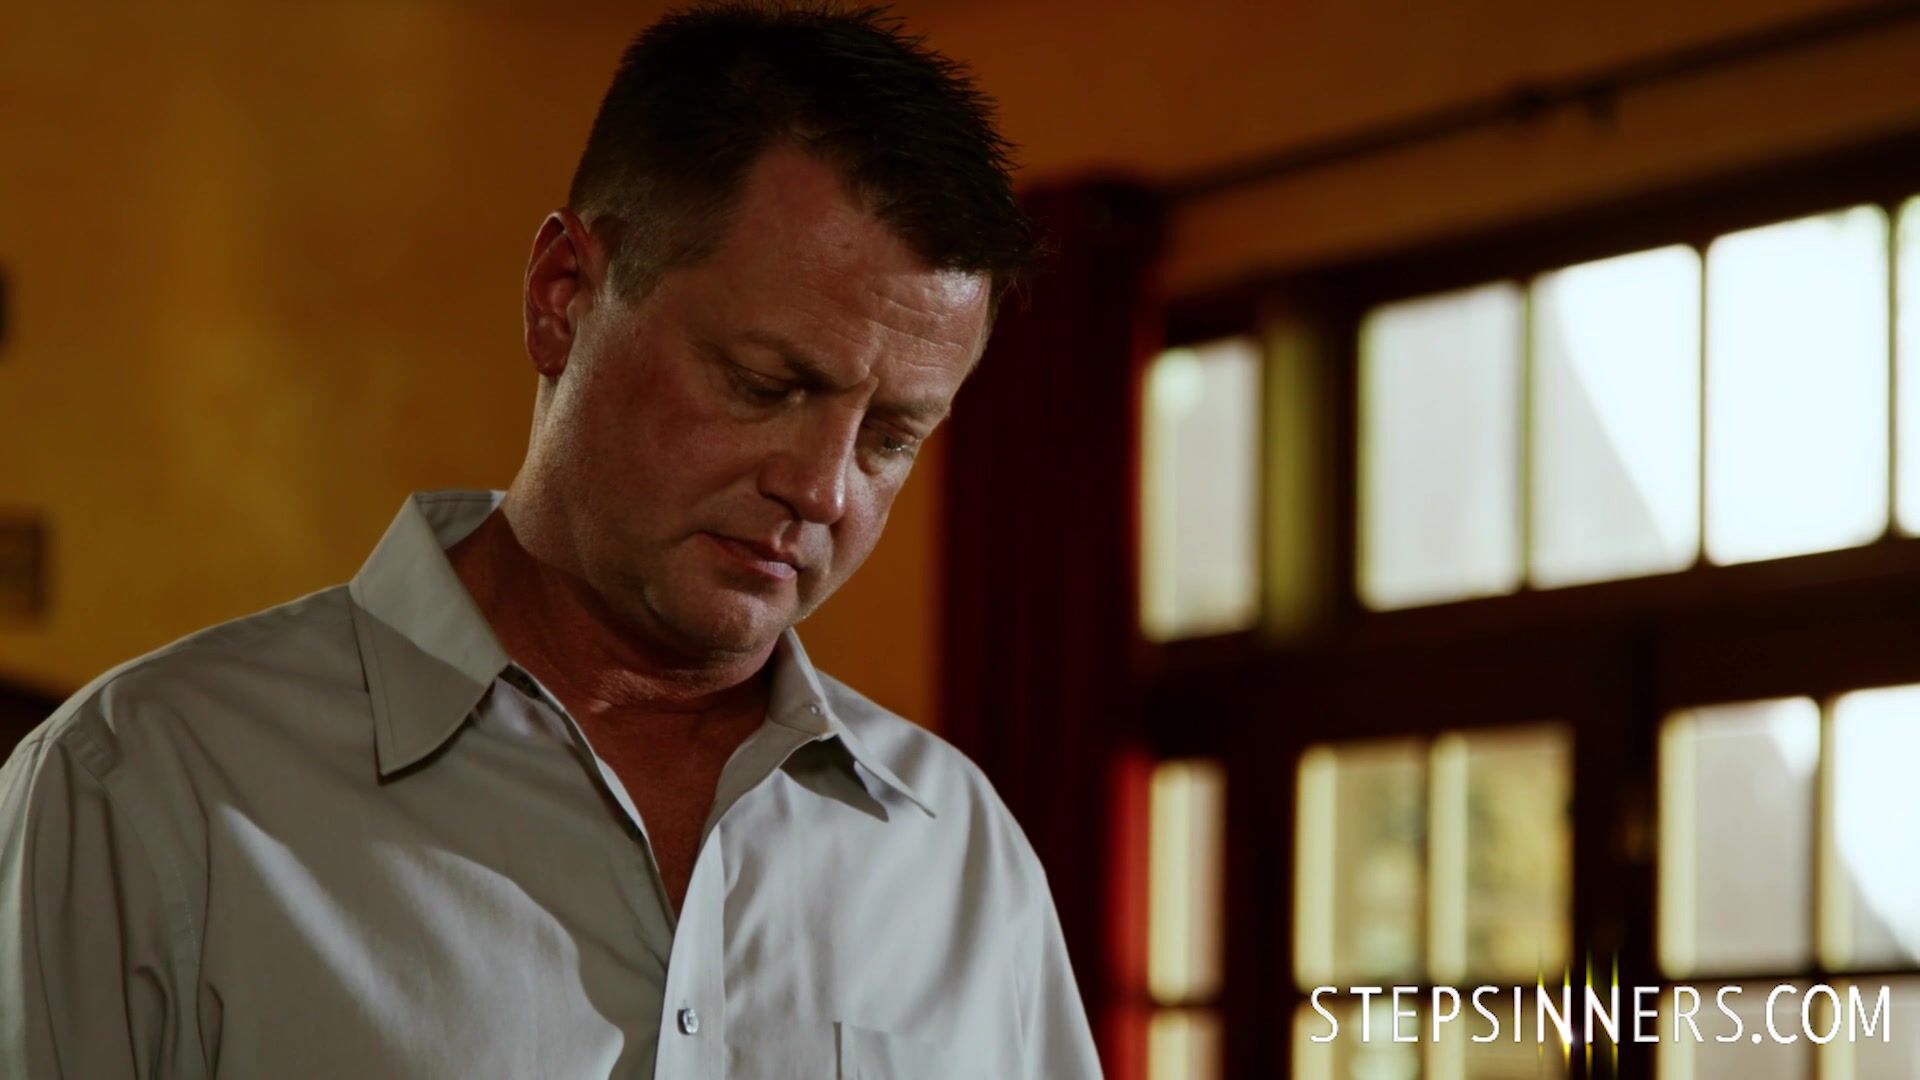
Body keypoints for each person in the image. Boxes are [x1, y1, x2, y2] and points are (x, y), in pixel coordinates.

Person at [0, 4, 1103, 1076]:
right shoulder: (144, 787)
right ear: (561, 297)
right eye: (764, 385)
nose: (822, 490)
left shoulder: (960, 855)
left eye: (891, 438)